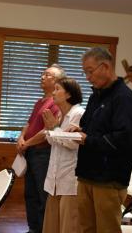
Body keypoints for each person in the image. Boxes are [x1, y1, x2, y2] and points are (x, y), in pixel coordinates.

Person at [72, 47, 132, 233]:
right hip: (87, 174)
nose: (87, 77)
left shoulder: (124, 97)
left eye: (90, 71)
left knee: (106, 230)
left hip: (108, 179)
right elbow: (89, 128)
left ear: (105, 66)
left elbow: (123, 139)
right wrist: (79, 131)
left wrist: (88, 140)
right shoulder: (96, 95)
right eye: (85, 72)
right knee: (86, 228)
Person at [17, 64, 65, 233]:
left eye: (48, 75)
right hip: (31, 153)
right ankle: (33, 228)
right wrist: (21, 138)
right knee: (30, 194)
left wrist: (27, 143)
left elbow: (48, 131)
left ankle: (43, 229)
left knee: (41, 195)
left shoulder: (56, 103)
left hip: (43, 154)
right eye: (43, 74)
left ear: (58, 81)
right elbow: (29, 124)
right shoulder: (40, 102)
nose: (42, 76)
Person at [42, 77, 84, 233]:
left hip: (70, 180)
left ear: (68, 94)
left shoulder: (78, 113)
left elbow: (73, 143)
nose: (53, 93)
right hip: (55, 179)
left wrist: (54, 128)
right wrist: (50, 129)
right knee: (51, 227)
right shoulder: (59, 114)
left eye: (57, 89)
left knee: (68, 228)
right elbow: (54, 142)